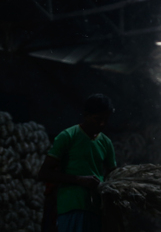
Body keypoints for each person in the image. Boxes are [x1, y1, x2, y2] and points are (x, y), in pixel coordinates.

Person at [38, 94, 117, 232]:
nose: (102, 124)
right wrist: (79, 180)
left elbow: (113, 174)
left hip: (96, 210)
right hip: (71, 207)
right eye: (98, 119)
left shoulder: (106, 143)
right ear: (86, 115)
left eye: (106, 120)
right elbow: (44, 173)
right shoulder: (68, 136)